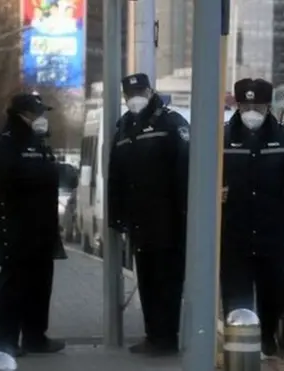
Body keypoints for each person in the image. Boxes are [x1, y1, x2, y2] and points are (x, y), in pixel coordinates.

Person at [221, 78, 284, 356]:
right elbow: (207, 177)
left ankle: (268, 335)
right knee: (235, 289)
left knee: (273, 288)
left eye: (257, 106)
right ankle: (238, 340)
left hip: (270, 230)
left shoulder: (283, 138)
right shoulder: (223, 138)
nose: (251, 112)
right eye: (246, 105)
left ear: (268, 106)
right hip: (233, 230)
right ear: (237, 106)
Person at [108, 73, 190, 355]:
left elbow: (185, 170)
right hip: (139, 222)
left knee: (168, 281)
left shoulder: (171, 122)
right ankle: (153, 335)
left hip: (169, 221)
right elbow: (115, 177)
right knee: (146, 280)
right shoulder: (123, 128)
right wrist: (116, 216)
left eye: (140, 92)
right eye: (130, 95)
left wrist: (185, 214)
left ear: (151, 91)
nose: (135, 99)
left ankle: (167, 338)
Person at [0, 92, 67, 357]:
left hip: (41, 228)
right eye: (39, 113)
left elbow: (46, 174)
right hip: (17, 229)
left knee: (40, 286)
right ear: (25, 114)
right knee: (14, 286)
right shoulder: (7, 142)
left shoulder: (37, 141)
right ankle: (5, 342)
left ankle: (35, 337)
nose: (43, 118)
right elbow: (7, 181)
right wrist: (48, 173)